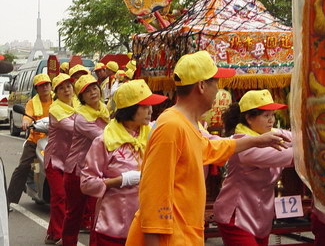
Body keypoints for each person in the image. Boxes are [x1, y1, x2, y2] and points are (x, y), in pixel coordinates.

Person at [125, 51, 288, 246]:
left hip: (185, 234)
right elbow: (153, 194)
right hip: (170, 238)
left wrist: (256, 141)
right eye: (216, 83)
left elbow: (211, 147)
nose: (218, 90)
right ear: (202, 86)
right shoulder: (171, 126)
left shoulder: (188, 124)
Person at [80, 80, 167, 245]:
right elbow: (86, 183)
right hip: (114, 225)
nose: (151, 110)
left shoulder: (153, 135)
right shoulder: (105, 141)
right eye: (145, 106)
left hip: (147, 224)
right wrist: (121, 181)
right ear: (130, 109)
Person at [214, 90, 294, 245]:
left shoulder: (269, 133)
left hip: (260, 216)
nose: (271, 121)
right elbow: (291, 155)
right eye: (266, 116)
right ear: (249, 118)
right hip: (236, 217)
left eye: (273, 115)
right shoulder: (243, 143)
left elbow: (296, 137)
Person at [61, 74, 110, 246]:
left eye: (94, 88)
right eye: (87, 92)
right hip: (77, 171)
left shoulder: (104, 109)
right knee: (74, 213)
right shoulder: (81, 117)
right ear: (81, 97)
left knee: (96, 215)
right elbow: (104, 138)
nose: (92, 93)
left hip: (96, 171)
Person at [6, 73, 53, 206]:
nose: (44, 87)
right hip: (35, 140)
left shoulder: (58, 100)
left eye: (46, 84)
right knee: (23, 167)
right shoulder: (32, 103)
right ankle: (9, 201)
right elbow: (27, 116)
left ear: (51, 86)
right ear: (36, 89)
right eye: (40, 86)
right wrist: (26, 122)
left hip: (56, 140)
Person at [44, 74, 78, 245]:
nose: (66, 90)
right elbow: (74, 127)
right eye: (62, 88)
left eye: (68, 86)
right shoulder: (55, 110)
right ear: (56, 92)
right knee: (59, 196)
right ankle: (58, 234)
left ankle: (51, 232)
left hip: (71, 160)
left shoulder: (79, 104)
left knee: (68, 198)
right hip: (55, 160)